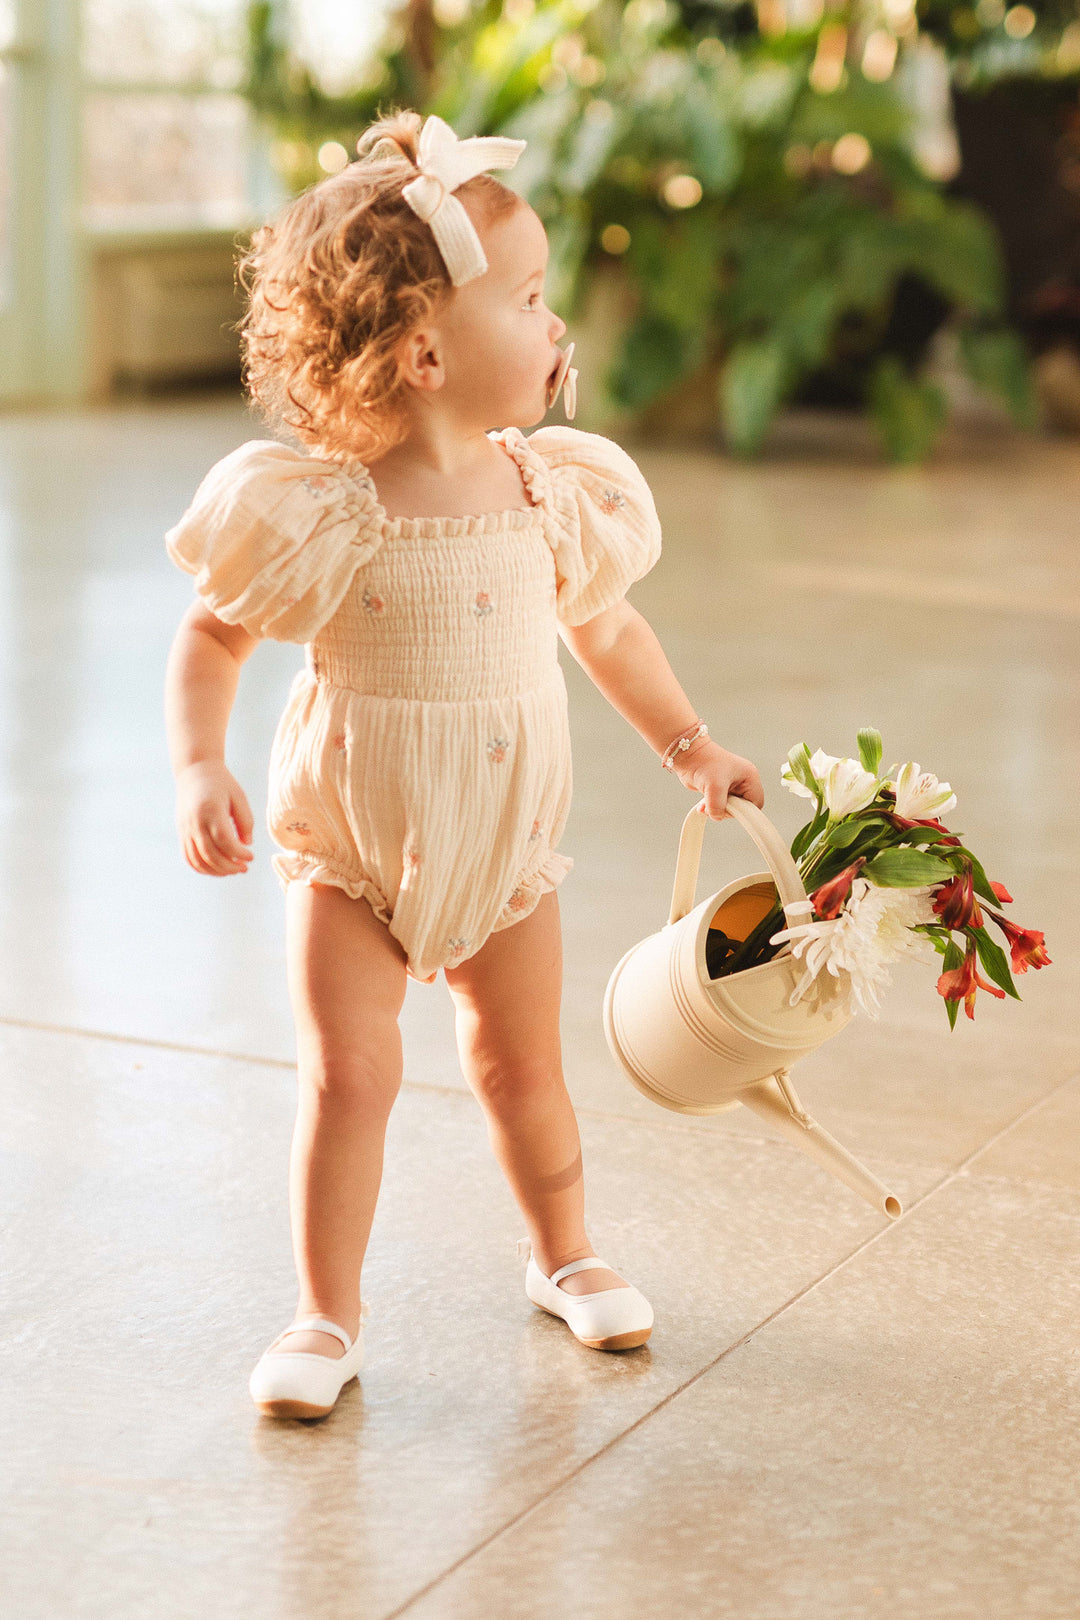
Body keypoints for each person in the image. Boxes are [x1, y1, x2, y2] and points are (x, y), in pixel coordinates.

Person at [163, 109, 765, 1421]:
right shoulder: (325, 504)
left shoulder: (545, 492)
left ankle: (568, 1252)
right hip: (351, 847)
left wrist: (688, 744)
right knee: (351, 1076)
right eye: (536, 299)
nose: (560, 328)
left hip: (501, 848)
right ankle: (326, 1311)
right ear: (428, 352)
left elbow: (605, 627)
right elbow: (214, 634)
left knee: (520, 1069)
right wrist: (199, 764)